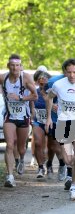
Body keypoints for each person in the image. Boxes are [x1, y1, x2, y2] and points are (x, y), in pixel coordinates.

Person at [45, 58, 75, 200]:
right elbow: (49, 98)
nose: (72, 75)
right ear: (65, 72)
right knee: (68, 159)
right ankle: (69, 170)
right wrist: (48, 117)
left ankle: (74, 187)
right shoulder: (58, 85)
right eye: (69, 72)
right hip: (63, 122)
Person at [1, 54, 38, 187]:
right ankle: (10, 176)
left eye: (17, 65)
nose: (15, 68)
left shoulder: (26, 78)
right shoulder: (3, 78)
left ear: (20, 66)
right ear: (8, 66)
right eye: (12, 65)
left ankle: (21, 159)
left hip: (23, 116)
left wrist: (20, 98)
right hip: (9, 116)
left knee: (21, 148)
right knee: (10, 145)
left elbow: (35, 96)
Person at [31, 70, 52, 178]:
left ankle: (49, 164)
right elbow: (30, 105)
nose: (42, 83)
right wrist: (31, 114)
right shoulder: (35, 92)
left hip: (51, 121)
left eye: (45, 81)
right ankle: (40, 167)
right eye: (40, 81)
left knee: (52, 147)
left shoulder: (53, 93)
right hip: (38, 121)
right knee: (38, 143)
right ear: (37, 82)